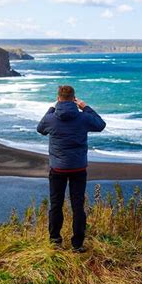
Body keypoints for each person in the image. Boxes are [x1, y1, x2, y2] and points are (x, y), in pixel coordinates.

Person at [37, 85, 106, 253]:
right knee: (77, 206)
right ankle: (77, 244)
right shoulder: (83, 118)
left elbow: (40, 129)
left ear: (59, 97)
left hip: (58, 169)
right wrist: (85, 107)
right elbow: (101, 124)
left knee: (56, 205)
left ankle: (55, 241)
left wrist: (51, 107)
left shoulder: (51, 118)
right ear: (74, 99)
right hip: (78, 168)